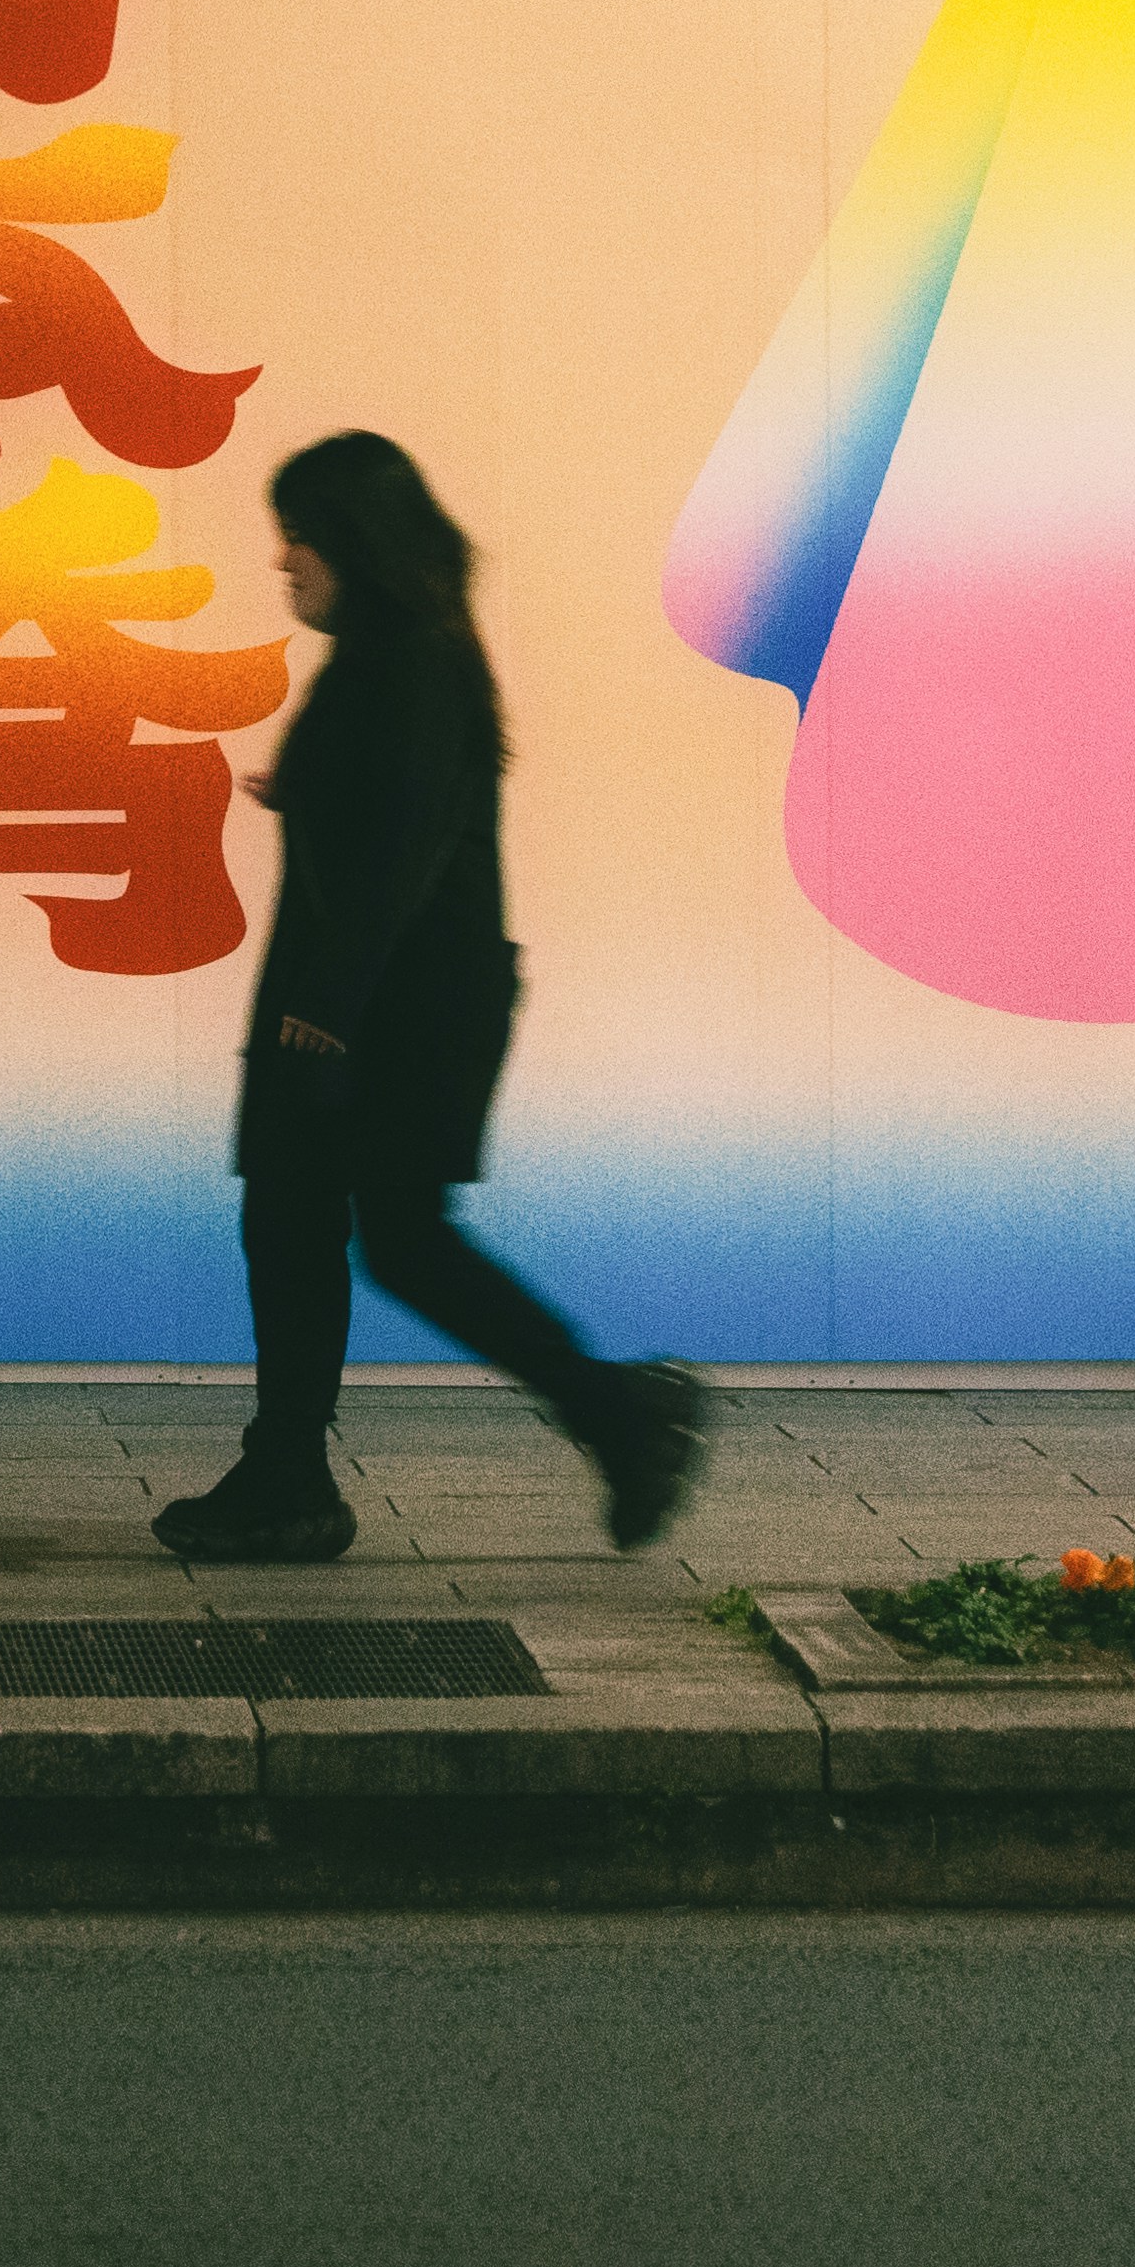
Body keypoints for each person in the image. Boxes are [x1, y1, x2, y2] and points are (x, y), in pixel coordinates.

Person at [153, 430, 708, 1565]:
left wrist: (324, 1014)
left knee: (383, 1236)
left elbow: (399, 856)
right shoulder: (393, 654)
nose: (284, 562)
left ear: (354, 542)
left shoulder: (407, 662)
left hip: (390, 1009)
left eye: (297, 536)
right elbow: (390, 823)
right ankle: (294, 1472)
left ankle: (614, 1411)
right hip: (374, 996)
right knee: (309, 1223)